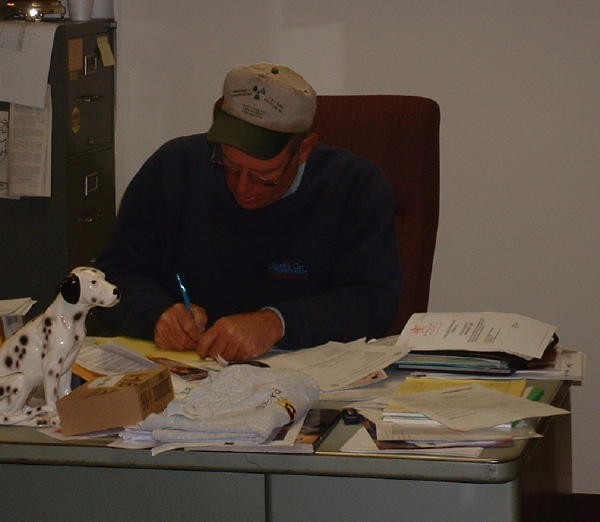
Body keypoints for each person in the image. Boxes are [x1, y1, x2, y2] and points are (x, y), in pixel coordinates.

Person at [97, 62, 401, 363]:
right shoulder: (174, 168)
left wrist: (277, 323)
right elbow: (114, 274)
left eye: (264, 177)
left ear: (305, 149)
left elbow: (373, 301)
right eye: (228, 167)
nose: (243, 188)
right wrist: (157, 314)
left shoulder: (355, 186)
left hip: (306, 382)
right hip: (186, 377)